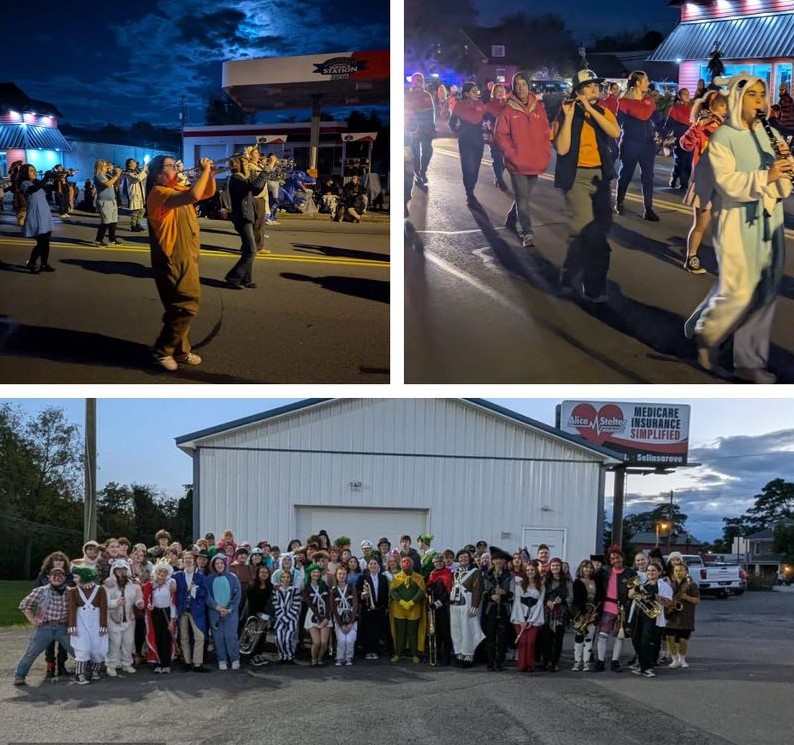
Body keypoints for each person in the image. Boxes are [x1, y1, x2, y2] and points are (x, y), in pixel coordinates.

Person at [688, 73, 793, 383]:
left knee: (766, 291)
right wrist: (767, 176)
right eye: (753, 95)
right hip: (736, 220)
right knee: (740, 290)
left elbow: (779, 180)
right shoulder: (723, 137)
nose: (760, 101)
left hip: (768, 219)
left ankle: (748, 361)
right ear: (737, 98)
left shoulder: (766, 132)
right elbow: (729, 184)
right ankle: (706, 334)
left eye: (762, 95)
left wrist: (784, 169)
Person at [552, 67, 621, 303]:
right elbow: (561, 149)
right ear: (579, 91)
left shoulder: (602, 112)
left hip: (600, 178)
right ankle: (594, 287)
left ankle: (570, 272)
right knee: (588, 234)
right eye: (590, 86)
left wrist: (592, 109)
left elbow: (614, 131)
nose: (596, 89)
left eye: (597, 86)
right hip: (577, 178)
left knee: (598, 231)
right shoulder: (566, 113)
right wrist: (570, 116)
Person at [145, 154, 216, 371]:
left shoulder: (175, 190)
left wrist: (210, 175)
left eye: (176, 165)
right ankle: (162, 350)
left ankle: (180, 350)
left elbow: (207, 192)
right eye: (170, 166)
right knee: (186, 303)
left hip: (186, 254)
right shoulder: (159, 193)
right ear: (158, 174)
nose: (177, 169)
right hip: (173, 257)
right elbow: (195, 195)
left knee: (178, 308)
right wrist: (203, 171)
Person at [494, 70, 552, 248]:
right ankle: (527, 232)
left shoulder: (539, 107)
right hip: (517, 163)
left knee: (523, 197)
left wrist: (545, 152)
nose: (521, 88)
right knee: (524, 200)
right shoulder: (508, 109)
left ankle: (511, 219)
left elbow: (545, 132)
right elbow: (500, 135)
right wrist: (512, 154)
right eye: (517, 85)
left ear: (529, 86)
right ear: (513, 87)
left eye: (524, 84)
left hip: (535, 162)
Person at [679, 90, 728, 275]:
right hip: (704, 181)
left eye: (726, 106)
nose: (724, 110)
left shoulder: (727, 127)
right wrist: (700, 125)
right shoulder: (700, 126)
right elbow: (685, 144)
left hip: (725, 181)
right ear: (711, 107)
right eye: (722, 106)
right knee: (701, 224)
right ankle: (691, 257)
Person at [14, 566, 73, 686]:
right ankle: (20, 676)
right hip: (45, 627)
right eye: (54, 575)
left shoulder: (71, 592)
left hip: (63, 627)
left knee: (77, 651)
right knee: (31, 652)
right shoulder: (41, 590)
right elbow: (24, 605)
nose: (57, 578)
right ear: (49, 578)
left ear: (65, 578)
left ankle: (87, 672)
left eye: (60, 576)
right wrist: (33, 621)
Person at [615, 70, 661, 221]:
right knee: (626, 174)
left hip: (647, 144)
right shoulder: (624, 102)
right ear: (637, 83)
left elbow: (656, 117)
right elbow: (617, 123)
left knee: (648, 177)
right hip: (630, 143)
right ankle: (619, 201)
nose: (648, 83)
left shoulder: (648, 101)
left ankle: (648, 209)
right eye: (645, 80)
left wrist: (658, 130)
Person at [225, 151, 275, 289]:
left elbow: (254, 184)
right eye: (245, 162)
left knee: (248, 250)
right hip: (243, 218)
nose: (247, 165)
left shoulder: (242, 177)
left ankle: (246, 279)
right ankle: (233, 277)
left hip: (246, 216)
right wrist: (268, 167)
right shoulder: (237, 178)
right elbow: (256, 188)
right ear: (238, 164)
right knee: (252, 250)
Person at [595, 545, 636, 672]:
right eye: (612, 559)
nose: (615, 560)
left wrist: (628, 605)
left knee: (620, 635)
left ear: (622, 558)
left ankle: (615, 661)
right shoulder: (604, 572)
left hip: (622, 608)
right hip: (607, 607)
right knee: (603, 635)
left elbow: (634, 590)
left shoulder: (630, 573)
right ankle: (600, 662)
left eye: (617, 557)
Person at [628, 561, 672, 678]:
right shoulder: (644, 585)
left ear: (659, 572)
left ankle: (648, 667)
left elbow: (668, 603)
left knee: (646, 642)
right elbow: (630, 595)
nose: (650, 572)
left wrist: (655, 597)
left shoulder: (664, 586)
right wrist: (634, 590)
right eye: (648, 571)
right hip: (638, 616)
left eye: (653, 570)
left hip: (652, 618)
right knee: (636, 641)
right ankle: (642, 666)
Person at [67, 565, 108, 685]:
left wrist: (103, 625)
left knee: (98, 648)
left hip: (96, 621)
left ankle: (95, 671)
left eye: (76, 577)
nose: (74, 580)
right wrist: (72, 626)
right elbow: (72, 609)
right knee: (82, 647)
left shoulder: (100, 590)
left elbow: (104, 608)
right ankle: (79, 674)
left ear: (84, 577)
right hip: (81, 621)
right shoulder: (74, 591)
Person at [448, 81, 487, 206]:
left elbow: (487, 119)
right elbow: (451, 122)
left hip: (479, 140)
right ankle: (469, 193)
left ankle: (471, 187)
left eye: (477, 91)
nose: (477, 93)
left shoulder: (481, 104)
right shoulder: (459, 106)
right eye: (473, 91)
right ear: (466, 93)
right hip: (466, 141)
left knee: (475, 168)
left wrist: (487, 129)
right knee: (468, 167)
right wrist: (458, 131)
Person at [103, 559, 144, 676]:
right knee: (115, 642)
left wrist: (139, 603)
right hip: (113, 618)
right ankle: (111, 664)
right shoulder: (109, 584)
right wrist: (116, 602)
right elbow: (105, 602)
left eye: (124, 570)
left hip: (129, 618)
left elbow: (137, 597)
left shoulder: (133, 584)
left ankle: (127, 663)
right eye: (118, 570)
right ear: (114, 570)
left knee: (129, 642)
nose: (121, 572)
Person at [448, 547, 485, 667]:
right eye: (461, 557)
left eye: (465, 557)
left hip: (467, 605)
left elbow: (477, 590)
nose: (463, 559)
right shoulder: (455, 572)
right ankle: (458, 654)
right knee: (456, 630)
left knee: (467, 630)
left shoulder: (475, 572)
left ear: (469, 559)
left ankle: (467, 656)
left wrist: (474, 606)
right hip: (455, 605)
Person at [174, 549, 209, 672]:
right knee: (184, 637)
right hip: (182, 610)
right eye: (186, 558)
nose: (188, 560)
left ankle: (198, 663)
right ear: (183, 561)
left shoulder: (200, 576)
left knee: (199, 636)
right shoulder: (177, 576)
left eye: (190, 558)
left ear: (194, 561)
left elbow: (205, 593)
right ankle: (187, 661)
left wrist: (197, 591)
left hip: (196, 610)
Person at [17, 164, 55, 274]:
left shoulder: (37, 182)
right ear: (25, 173)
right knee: (42, 242)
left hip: (45, 214)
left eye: (34, 170)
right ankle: (31, 263)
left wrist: (58, 178)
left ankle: (44, 264)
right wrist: (46, 178)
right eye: (31, 171)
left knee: (46, 242)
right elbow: (33, 189)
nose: (34, 172)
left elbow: (48, 189)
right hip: (36, 215)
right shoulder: (24, 184)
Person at [206, 554, 242, 670]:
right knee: (218, 637)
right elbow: (207, 596)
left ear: (225, 564)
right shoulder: (209, 579)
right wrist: (216, 607)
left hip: (230, 612)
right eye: (217, 563)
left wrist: (229, 609)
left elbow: (237, 595)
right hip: (215, 612)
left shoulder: (233, 577)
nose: (219, 565)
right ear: (213, 565)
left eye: (221, 563)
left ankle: (235, 659)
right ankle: (222, 659)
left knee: (231, 635)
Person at [481, 545, 513, 671]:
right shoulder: (486, 575)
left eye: (501, 559)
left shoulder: (509, 576)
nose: (498, 561)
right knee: (490, 636)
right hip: (490, 609)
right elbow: (482, 592)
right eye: (496, 559)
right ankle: (490, 662)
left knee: (502, 636)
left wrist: (504, 594)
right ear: (492, 561)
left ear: (504, 561)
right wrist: (491, 596)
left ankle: (499, 662)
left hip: (504, 609)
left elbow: (513, 594)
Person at [388, 556, 426, 663]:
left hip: (414, 609)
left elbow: (421, 591)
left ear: (412, 564)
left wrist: (412, 602)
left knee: (412, 632)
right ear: (400, 564)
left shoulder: (419, 577)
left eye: (408, 562)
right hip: (399, 609)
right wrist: (401, 601)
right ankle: (398, 653)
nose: (406, 564)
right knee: (400, 631)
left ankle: (414, 654)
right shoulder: (396, 578)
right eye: (403, 562)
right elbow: (392, 591)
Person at [510, 560, 544, 673]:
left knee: (531, 642)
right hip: (519, 618)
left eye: (532, 570)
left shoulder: (541, 586)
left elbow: (540, 604)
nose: (530, 572)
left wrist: (531, 620)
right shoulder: (520, 584)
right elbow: (517, 602)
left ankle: (530, 665)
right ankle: (521, 665)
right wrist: (521, 620)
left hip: (534, 618)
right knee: (523, 642)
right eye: (528, 570)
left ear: (536, 571)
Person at [664, 562, 700, 668]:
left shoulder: (691, 585)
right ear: (673, 573)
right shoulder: (670, 585)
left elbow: (697, 601)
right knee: (669, 638)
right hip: (672, 615)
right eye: (676, 571)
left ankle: (682, 659)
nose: (678, 573)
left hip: (685, 617)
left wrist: (686, 597)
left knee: (683, 640)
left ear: (686, 572)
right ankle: (674, 659)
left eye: (681, 570)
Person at [571, 559, 604, 671]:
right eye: (586, 567)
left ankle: (586, 663)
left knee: (589, 639)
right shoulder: (577, 582)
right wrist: (583, 614)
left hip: (593, 614)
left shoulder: (596, 581)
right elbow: (576, 600)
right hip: (580, 615)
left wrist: (595, 614)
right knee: (579, 638)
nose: (588, 569)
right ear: (581, 568)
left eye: (590, 568)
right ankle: (577, 662)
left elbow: (600, 599)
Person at [539, 557, 570, 672]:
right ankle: (545, 661)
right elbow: (540, 594)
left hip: (560, 614)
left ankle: (554, 662)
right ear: (550, 567)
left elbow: (570, 597)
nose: (555, 568)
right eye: (553, 566)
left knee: (558, 640)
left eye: (557, 565)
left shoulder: (566, 581)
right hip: (547, 612)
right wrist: (546, 600)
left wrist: (562, 600)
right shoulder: (545, 580)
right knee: (546, 639)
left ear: (560, 567)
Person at [405, 72, 436, 185]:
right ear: (412, 81)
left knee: (428, 151)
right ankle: (417, 172)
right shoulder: (407, 95)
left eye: (421, 80)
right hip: (413, 129)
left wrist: (432, 126)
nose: (418, 82)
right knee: (415, 153)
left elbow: (432, 112)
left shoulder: (427, 95)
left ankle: (423, 171)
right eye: (416, 80)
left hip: (426, 128)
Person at [357, 557, 390, 660]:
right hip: (367, 608)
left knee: (377, 630)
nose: (373, 566)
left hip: (379, 608)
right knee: (367, 630)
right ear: (368, 566)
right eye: (371, 564)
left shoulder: (383, 578)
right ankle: (367, 651)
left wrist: (386, 607)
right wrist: (362, 595)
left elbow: (385, 593)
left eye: (375, 564)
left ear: (379, 566)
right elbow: (357, 591)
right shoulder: (363, 578)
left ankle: (375, 651)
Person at [243, 564, 274, 667]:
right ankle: (251, 656)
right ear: (257, 573)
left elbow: (270, 602)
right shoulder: (252, 585)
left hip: (265, 615)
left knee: (262, 636)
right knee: (253, 637)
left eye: (266, 572)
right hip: (254, 615)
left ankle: (259, 655)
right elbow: (250, 603)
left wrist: (268, 616)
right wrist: (257, 614)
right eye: (262, 572)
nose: (264, 574)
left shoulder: (270, 586)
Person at [426, 553, 453, 665]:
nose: (438, 564)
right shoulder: (432, 574)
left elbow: (448, 592)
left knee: (445, 633)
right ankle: (436, 655)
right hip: (432, 608)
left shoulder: (448, 573)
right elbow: (429, 587)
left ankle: (446, 657)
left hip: (443, 607)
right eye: (436, 562)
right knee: (434, 632)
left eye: (440, 562)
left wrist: (437, 603)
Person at [665, 88, 694, 190]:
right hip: (680, 137)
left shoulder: (692, 108)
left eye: (688, 93)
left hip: (691, 138)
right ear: (679, 96)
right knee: (680, 161)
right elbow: (669, 124)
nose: (687, 95)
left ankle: (684, 183)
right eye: (684, 94)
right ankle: (675, 176)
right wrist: (665, 135)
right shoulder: (675, 108)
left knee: (689, 161)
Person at [330, 565, 359, 665]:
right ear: (336, 575)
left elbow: (355, 604)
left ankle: (349, 657)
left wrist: (351, 622)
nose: (342, 576)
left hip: (351, 616)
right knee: (341, 640)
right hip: (339, 617)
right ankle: (340, 657)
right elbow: (333, 608)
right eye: (339, 574)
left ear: (346, 575)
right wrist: (341, 624)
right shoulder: (333, 590)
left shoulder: (351, 587)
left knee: (350, 639)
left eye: (344, 574)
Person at [304, 563, 331, 666]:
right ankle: (313, 659)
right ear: (310, 574)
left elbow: (328, 602)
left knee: (324, 642)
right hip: (312, 616)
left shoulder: (324, 585)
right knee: (317, 642)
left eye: (317, 572)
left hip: (325, 616)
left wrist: (326, 617)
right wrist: (320, 618)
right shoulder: (306, 587)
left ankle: (320, 658)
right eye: (314, 572)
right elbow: (310, 605)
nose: (316, 574)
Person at [272, 568, 302, 664]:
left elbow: (296, 605)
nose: (285, 579)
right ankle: (282, 655)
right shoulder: (275, 591)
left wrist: (287, 617)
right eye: (283, 577)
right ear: (280, 579)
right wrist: (282, 616)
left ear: (291, 579)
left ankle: (290, 656)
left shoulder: (295, 591)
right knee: (279, 638)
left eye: (288, 577)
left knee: (288, 638)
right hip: (279, 618)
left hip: (291, 618)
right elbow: (275, 604)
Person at [484, 83, 509, 190]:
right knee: (497, 159)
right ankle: (500, 180)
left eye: (501, 91)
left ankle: (498, 176)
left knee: (506, 162)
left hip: (507, 138)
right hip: (494, 137)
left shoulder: (508, 105)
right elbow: (485, 119)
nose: (499, 93)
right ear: (493, 93)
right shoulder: (489, 106)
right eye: (497, 91)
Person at [93, 159, 124, 246]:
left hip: (112, 201)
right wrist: (117, 175)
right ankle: (98, 240)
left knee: (113, 221)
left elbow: (116, 183)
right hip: (105, 201)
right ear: (100, 167)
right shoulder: (99, 175)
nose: (107, 167)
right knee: (106, 222)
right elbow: (107, 184)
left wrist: (117, 174)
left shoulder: (106, 175)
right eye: (105, 165)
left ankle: (112, 240)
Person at [123, 159, 148, 232]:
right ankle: (133, 225)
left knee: (142, 210)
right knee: (135, 211)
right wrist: (144, 171)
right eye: (133, 162)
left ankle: (138, 224)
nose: (135, 162)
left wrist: (145, 170)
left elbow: (143, 177)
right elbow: (137, 179)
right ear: (129, 164)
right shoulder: (128, 172)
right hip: (135, 193)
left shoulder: (137, 171)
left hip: (141, 192)